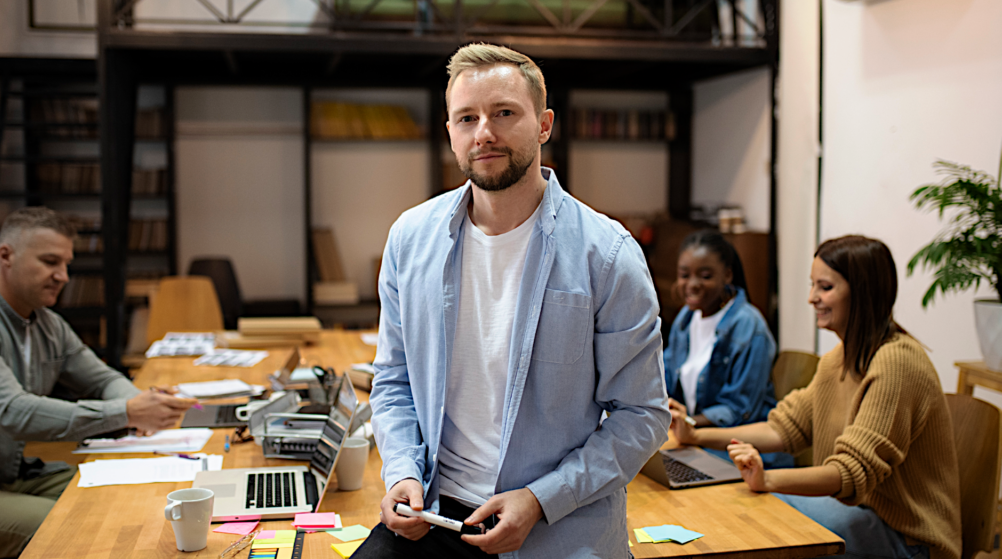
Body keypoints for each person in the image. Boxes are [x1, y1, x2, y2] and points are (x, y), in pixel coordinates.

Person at [357, 43, 670, 559]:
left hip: (556, 523)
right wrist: (402, 473)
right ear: (450, 132)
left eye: (504, 112)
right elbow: (393, 381)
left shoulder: (608, 254)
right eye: (467, 118)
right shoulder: (409, 240)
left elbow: (642, 414)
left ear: (544, 124)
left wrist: (540, 499)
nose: (484, 132)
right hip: (433, 511)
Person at [670, 235, 961, 559]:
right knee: (741, 510)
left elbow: (851, 472)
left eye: (825, 287)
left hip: (908, 539)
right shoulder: (840, 357)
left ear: (862, 292)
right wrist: (695, 433)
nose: (812, 298)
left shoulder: (896, 364)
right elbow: (783, 427)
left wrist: (768, 480)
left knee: (756, 521)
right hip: (860, 515)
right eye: (813, 285)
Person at [0, 207, 198, 558]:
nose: (63, 276)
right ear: (6, 255)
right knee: (73, 525)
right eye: (50, 262)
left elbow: (102, 378)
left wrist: (141, 406)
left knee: (127, 499)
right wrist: (127, 412)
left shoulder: (48, 323)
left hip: (13, 472)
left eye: (66, 264)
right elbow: (14, 412)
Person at [662, 230, 791, 468]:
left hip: (744, 453)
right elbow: (667, 378)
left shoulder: (749, 327)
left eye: (705, 275)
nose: (692, 285)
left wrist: (688, 421)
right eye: (684, 275)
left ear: (727, 275)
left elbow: (739, 410)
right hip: (697, 443)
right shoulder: (686, 319)